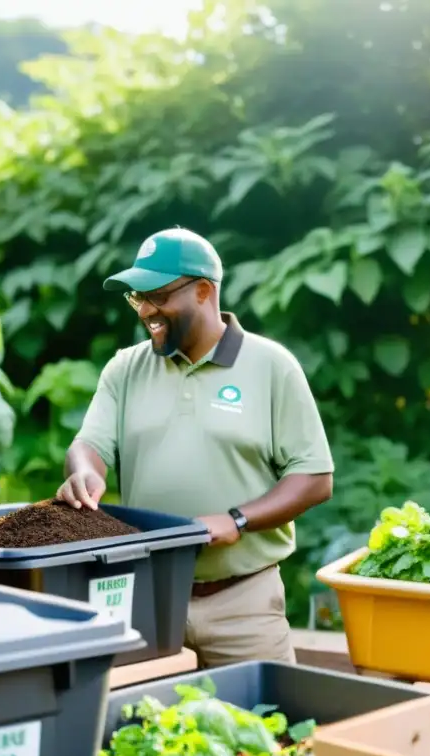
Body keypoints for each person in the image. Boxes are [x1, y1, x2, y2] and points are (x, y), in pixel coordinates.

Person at [57, 227, 334, 668]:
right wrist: (84, 472)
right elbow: (89, 445)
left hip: (244, 603)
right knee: (141, 731)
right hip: (149, 598)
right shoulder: (125, 369)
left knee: (264, 730)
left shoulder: (271, 366)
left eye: (158, 296)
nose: (146, 309)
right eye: (137, 297)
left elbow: (315, 478)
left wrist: (237, 520)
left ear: (204, 290)